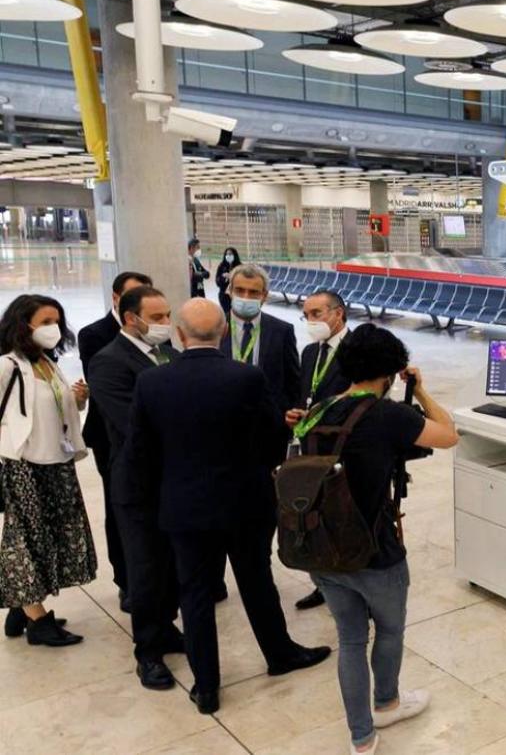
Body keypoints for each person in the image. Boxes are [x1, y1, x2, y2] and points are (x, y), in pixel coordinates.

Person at [124, 299, 331, 714]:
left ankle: (206, 686)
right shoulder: (246, 377)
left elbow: (141, 451)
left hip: (184, 506)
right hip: (245, 501)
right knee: (257, 581)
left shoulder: (152, 382)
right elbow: (273, 436)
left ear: (179, 335)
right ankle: (280, 654)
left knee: (195, 594)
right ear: (222, 333)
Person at [296, 324, 459, 755]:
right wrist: (420, 390)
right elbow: (449, 434)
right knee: (389, 630)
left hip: (322, 547)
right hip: (375, 551)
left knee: (350, 639)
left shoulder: (318, 411)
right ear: (390, 371)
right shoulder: (387, 415)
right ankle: (386, 702)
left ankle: (362, 739)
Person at [88, 286, 184, 690]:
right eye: (157, 317)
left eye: (167, 316)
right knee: (145, 568)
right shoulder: (109, 362)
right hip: (138, 483)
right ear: (131, 319)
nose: (165, 323)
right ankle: (148, 652)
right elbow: (133, 424)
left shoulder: (169, 354)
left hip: (175, 479)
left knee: (172, 564)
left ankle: (167, 627)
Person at [0, 295, 96, 646]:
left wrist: (78, 400)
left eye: (56, 321)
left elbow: (55, 409)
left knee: (51, 535)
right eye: (45, 322)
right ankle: (38, 621)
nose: (53, 328)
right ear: (22, 325)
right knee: (25, 539)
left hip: (57, 461)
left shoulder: (47, 363)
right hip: (23, 465)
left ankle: (22, 606)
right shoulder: (7, 366)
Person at [77, 270, 152, 611]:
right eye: (133, 294)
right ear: (117, 298)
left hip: (151, 436)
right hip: (111, 434)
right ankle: (126, 579)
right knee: (118, 506)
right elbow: (106, 386)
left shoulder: (154, 335)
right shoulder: (96, 335)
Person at [287, 289, 353, 612]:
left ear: (338, 313)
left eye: (317, 314)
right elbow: (306, 394)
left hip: (346, 447)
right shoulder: (310, 352)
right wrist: (297, 413)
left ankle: (356, 587)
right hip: (312, 447)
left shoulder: (358, 350)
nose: (311, 321)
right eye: (306, 316)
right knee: (317, 516)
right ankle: (325, 584)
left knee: (347, 517)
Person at [221, 263, 300, 412]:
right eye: (239, 290)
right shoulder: (214, 328)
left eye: (253, 292)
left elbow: (293, 381)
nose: (246, 297)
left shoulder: (282, 331)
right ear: (230, 291)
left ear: (264, 295)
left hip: (268, 417)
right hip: (224, 413)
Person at [215, 246, 241, 315]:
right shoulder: (221, 266)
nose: (228, 256)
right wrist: (224, 278)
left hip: (236, 296)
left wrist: (232, 276)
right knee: (227, 314)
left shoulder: (240, 266)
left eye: (230, 254)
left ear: (234, 255)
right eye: (227, 254)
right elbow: (217, 282)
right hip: (224, 296)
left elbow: (243, 281)